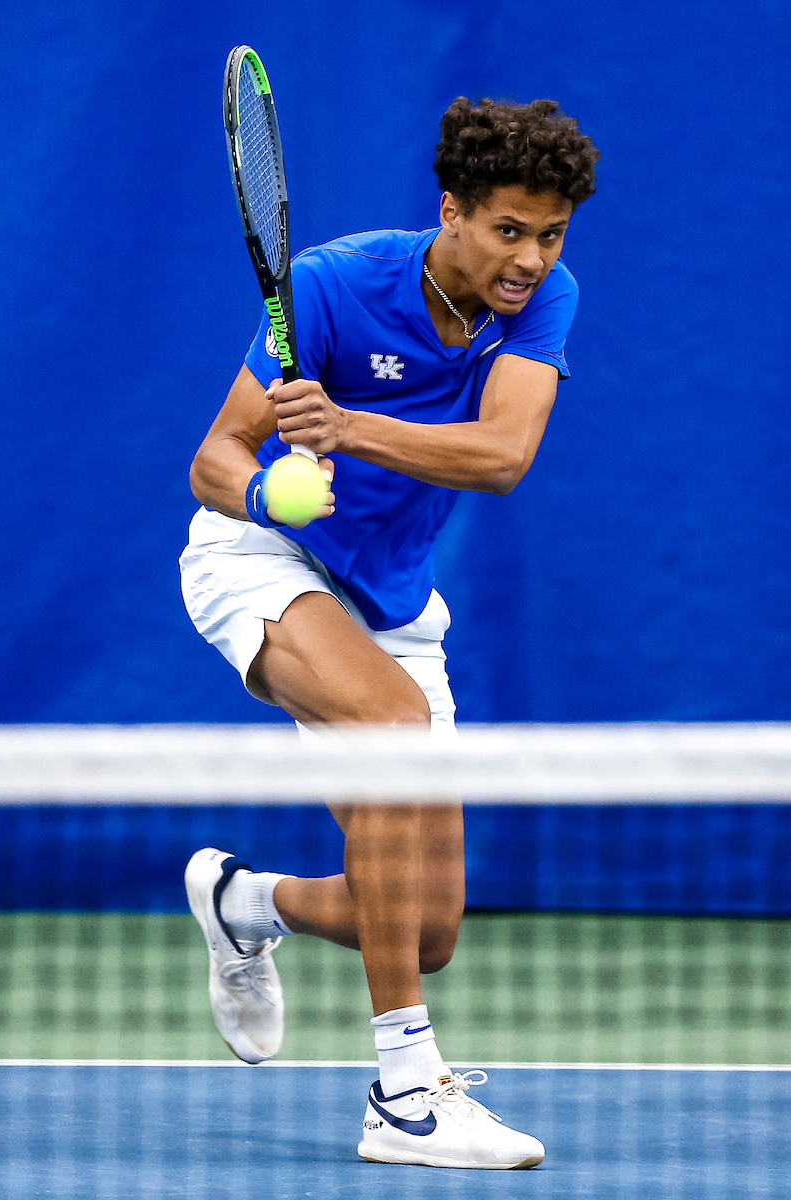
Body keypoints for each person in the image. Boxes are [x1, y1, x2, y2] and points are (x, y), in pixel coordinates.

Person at [180, 95, 599, 1170]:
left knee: (426, 930)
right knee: (394, 725)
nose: (529, 258)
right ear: (451, 211)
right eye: (508, 229)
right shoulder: (330, 284)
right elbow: (214, 460)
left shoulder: (538, 302)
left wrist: (347, 429)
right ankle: (404, 1095)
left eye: (550, 235)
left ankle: (245, 901)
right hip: (262, 561)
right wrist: (266, 492)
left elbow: (501, 456)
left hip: (392, 602)